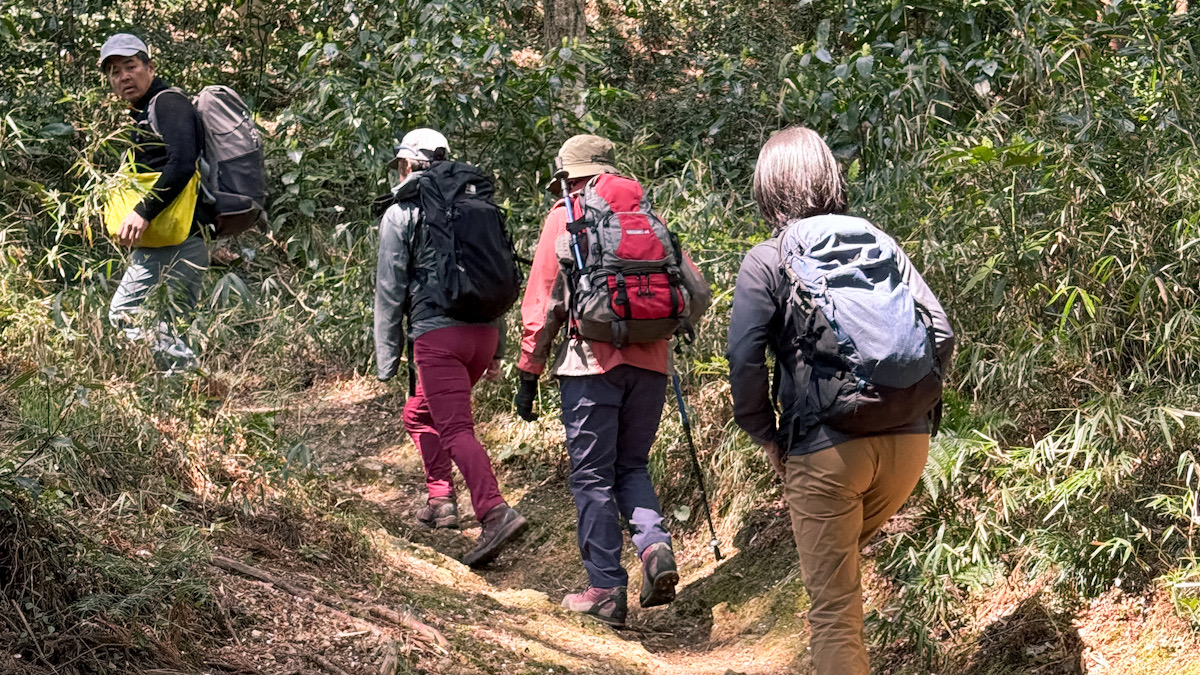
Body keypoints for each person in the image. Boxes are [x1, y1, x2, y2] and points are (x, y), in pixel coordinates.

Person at [726, 126, 954, 674]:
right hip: (909, 446)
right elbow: (941, 331)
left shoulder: (767, 258)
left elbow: (743, 358)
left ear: (768, 189)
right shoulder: (877, 241)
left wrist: (767, 437)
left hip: (826, 450)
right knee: (841, 569)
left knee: (833, 610)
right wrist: (912, 406)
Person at [514, 134, 711, 628]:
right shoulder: (648, 215)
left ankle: (604, 589)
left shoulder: (566, 215)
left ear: (571, 176)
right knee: (632, 465)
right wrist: (662, 331)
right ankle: (655, 548)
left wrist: (528, 371)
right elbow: (698, 292)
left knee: (592, 476)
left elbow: (543, 302)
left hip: (590, 365)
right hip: (652, 365)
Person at [373, 128, 527, 567]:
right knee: (419, 414)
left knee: (456, 430)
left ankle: (494, 511)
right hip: (483, 336)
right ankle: (441, 498)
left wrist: (387, 358)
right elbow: (493, 276)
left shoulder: (402, 212)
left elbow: (389, 288)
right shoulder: (474, 206)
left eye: (400, 164)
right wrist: (497, 350)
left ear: (407, 164)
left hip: (439, 338)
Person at [100, 33, 209, 370]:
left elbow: (182, 163)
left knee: (124, 313)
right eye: (115, 72)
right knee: (174, 321)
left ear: (150, 67)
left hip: (176, 233)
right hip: (181, 233)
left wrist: (142, 212)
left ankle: (190, 374)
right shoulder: (143, 112)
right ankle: (190, 389)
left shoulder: (167, 103)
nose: (123, 77)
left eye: (130, 66)